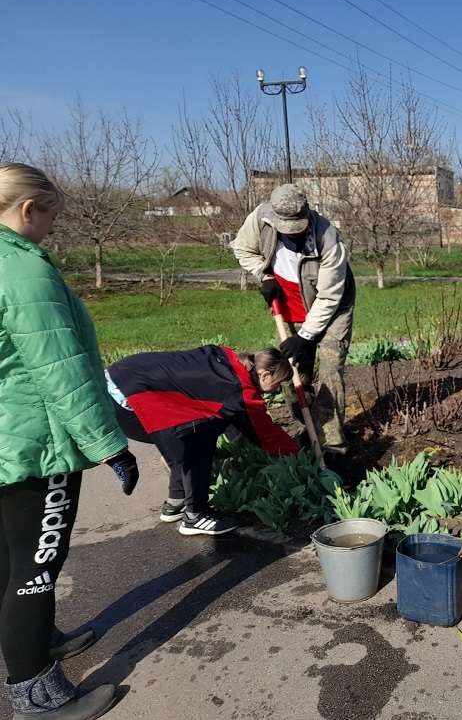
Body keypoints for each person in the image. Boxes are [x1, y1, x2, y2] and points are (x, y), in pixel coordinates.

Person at [1, 163, 139, 719]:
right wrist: (111, 444)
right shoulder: (24, 273)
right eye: (52, 215)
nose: (55, 227)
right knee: (37, 568)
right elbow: (62, 371)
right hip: (38, 445)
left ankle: (38, 642)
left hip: (5, 439)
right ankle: (35, 694)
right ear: (28, 209)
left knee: (10, 561)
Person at [106, 346, 300, 536]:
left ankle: (177, 501)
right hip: (128, 402)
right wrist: (299, 453)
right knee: (197, 434)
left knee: (197, 424)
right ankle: (195, 515)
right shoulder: (237, 390)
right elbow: (263, 432)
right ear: (265, 375)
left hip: (113, 380)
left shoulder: (225, 357)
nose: (277, 390)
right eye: (278, 383)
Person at [232, 184, 356, 462]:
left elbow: (329, 297)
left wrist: (305, 336)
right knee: (289, 371)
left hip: (332, 310)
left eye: (297, 226)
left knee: (330, 373)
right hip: (286, 306)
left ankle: (332, 446)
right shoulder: (260, 219)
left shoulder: (328, 238)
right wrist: (264, 276)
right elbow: (243, 249)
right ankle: (309, 426)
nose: (292, 232)